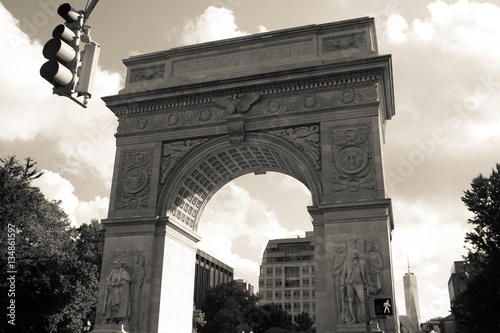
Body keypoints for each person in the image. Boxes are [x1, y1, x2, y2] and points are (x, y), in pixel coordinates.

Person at [340, 250, 370, 323]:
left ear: (358, 255)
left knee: (363, 299)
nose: (354, 254)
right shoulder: (347, 264)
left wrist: (369, 283)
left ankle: (365, 317)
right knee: (351, 301)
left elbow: (366, 273)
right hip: (349, 283)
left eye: (356, 253)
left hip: (359, 282)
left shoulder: (362, 263)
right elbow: (343, 275)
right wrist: (342, 285)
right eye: (353, 253)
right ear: (351, 255)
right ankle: (354, 318)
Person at [102, 260, 131, 325]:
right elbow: (108, 281)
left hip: (120, 292)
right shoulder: (112, 272)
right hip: (112, 291)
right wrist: (110, 285)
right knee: (109, 303)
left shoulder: (124, 272)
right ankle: (108, 318)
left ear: (121, 265)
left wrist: (117, 284)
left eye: (119, 264)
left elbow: (125, 283)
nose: (117, 265)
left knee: (119, 306)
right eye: (116, 264)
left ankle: (119, 319)